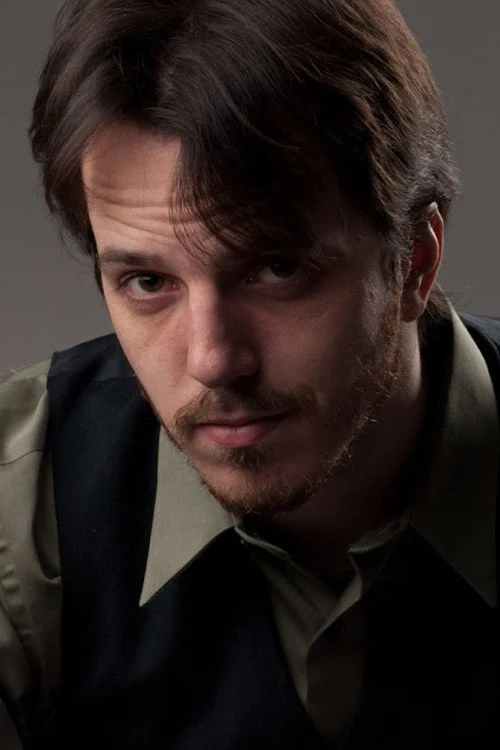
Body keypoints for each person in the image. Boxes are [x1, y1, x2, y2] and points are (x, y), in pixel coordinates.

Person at [1, 0, 499, 747]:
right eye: (148, 282)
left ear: (414, 262)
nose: (212, 360)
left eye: (278, 269)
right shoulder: (18, 500)